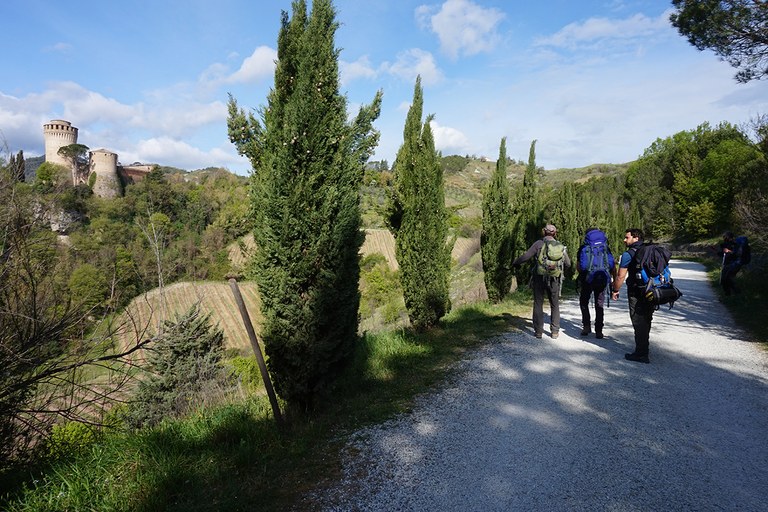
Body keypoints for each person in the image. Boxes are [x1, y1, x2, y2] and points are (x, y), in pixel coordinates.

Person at [512, 224, 571, 339]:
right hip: (554, 279)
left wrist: (516, 262)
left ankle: (538, 331)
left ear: (544, 232)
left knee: (538, 302)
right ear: (555, 233)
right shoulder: (560, 246)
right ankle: (555, 331)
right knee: (554, 304)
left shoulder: (538, 244)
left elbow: (526, 256)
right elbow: (568, 264)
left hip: (539, 277)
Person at [611, 228, 652, 364]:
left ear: (636, 238)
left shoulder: (628, 254)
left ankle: (641, 353)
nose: (624, 240)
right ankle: (644, 347)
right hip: (651, 290)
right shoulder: (650, 250)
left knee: (638, 320)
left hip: (636, 291)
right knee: (646, 318)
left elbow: (621, 275)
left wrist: (615, 289)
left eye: (627, 237)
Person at [577, 228, 616, 339]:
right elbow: (612, 265)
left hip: (587, 279)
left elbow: (579, 267)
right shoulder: (605, 248)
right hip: (601, 279)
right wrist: (613, 279)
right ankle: (599, 330)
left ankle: (586, 326)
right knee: (599, 303)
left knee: (584, 302)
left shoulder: (584, 248)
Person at [718, 231, 741, 295]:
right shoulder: (724, 244)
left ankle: (737, 292)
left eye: (725, 237)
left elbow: (738, 253)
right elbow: (723, 254)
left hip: (734, 263)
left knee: (728, 279)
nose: (724, 238)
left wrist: (729, 251)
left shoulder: (735, 244)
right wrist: (717, 251)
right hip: (726, 264)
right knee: (723, 280)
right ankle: (728, 294)